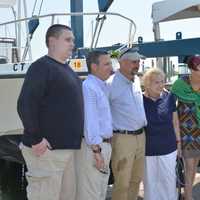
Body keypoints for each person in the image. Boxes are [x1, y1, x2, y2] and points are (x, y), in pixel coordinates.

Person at [17, 24, 84, 200]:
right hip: (47, 152)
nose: (72, 45)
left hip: (66, 151)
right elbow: (25, 104)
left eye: (73, 41)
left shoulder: (67, 70)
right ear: (52, 41)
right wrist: (36, 139)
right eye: (68, 39)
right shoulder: (41, 67)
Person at [107, 48, 147, 200]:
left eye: (138, 62)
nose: (137, 65)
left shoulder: (136, 80)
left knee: (136, 180)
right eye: (133, 62)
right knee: (122, 182)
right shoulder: (110, 84)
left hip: (141, 136)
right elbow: (102, 111)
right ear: (121, 63)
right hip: (123, 139)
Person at [76, 50, 113, 200]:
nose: (111, 67)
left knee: (100, 192)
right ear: (94, 66)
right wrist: (97, 151)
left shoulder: (101, 86)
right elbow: (90, 120)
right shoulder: (89, 87)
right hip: (94, 149)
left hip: (103, 147)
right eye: (107, 64)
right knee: (91, 193)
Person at [142, 68, 181, 200]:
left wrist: (179, 144)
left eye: (162, 82)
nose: (161, 85)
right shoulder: (139, 100)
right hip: (148, 149)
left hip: (168, 148)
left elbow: (175, 122)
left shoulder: (169, 97)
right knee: (150, 183)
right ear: (147, 83)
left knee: (168, 182)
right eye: (156, 82)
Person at [171, 55, 200, 200]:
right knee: (188, 167)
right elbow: (169, 108)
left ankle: (187, 195)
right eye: (198, 69)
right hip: (186, 133)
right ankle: (188, 196)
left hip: (199, 132)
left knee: (194, 166)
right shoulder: (180, 84)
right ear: (191, 69)